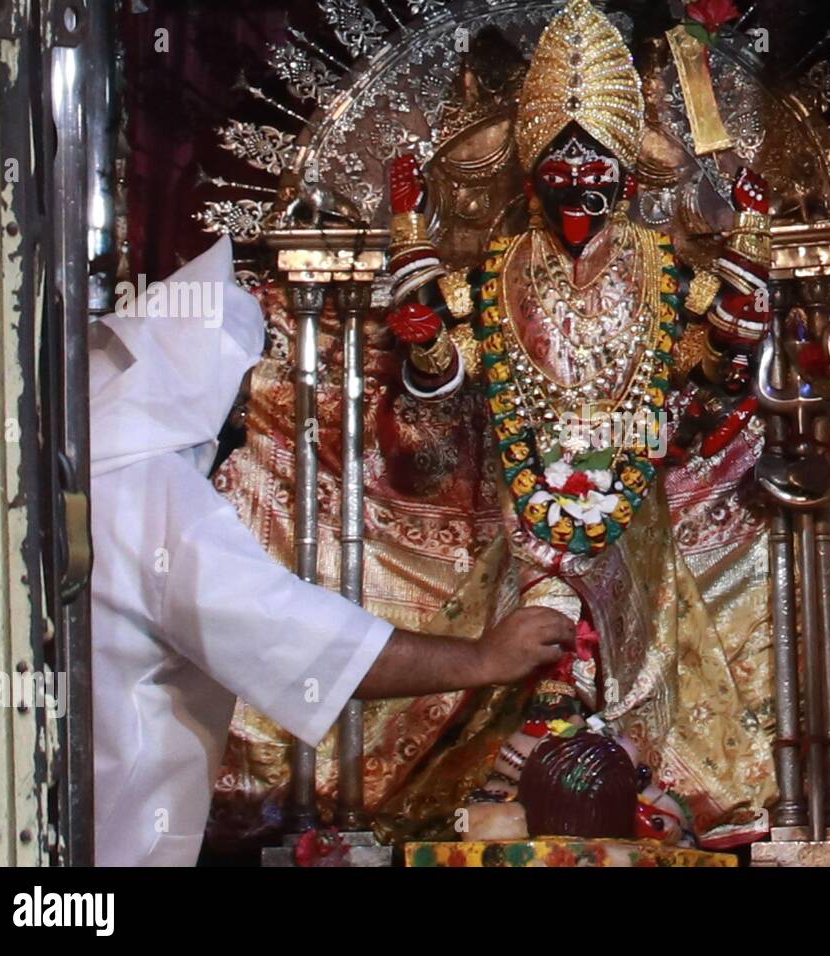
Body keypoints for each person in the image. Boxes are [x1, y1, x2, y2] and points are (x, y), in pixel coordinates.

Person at [88, 236, 574, 866]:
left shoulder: (93, 473)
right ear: (194, 379)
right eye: (241, 391)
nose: (244, 416)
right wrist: (481, 659)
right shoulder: (147, 492)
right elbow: (284, 635)